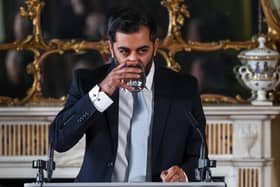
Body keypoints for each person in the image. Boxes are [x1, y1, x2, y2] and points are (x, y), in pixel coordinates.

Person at [49, 8, 206, 182]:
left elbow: (199, 157)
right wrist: (102, 92)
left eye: (142, 51)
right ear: (111, 48)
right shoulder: (87, 82)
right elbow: (59, 140)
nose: (133, 60)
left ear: (155, 47)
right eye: (124, 51)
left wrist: (183, 174)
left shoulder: (184, 87)